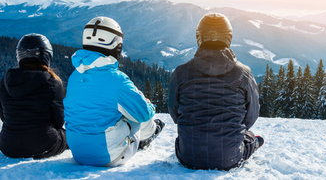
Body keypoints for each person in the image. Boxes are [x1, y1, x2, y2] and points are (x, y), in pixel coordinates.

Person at [64, 16, 164, 167]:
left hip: (78, 153)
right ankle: (148, 136)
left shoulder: (75, 75)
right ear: (115, 45)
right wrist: (148, 104)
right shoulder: (116, 79)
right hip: (107, 156)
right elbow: (143, 113)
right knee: (137, 110)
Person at [168, 13, 263, 170]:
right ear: (228, 37)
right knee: (251, 138)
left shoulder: (181, 73)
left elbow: (174, 112)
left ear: (199, 37)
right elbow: (251, 115)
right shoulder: (243, 73)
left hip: (187, 156)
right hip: (229, 158)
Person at [0, 33, 67, 159]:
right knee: (68, 136)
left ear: (19, 55)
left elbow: (3, 115)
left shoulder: (4, 81)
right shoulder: (52, 82)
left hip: (8, 146)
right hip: (44, 144)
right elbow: (59, 121)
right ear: (47, 55)